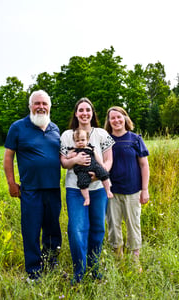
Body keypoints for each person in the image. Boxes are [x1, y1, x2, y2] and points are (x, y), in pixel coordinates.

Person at [3, 90, 62, 282]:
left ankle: (51, 265)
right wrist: (11, 183)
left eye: (44, 104)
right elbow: (8, 157)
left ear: (49, 107)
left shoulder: (55, 129)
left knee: (53, 230)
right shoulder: (18, 127)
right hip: (30, 190)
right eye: (37, 103)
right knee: (31, 230)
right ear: (30, 106)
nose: (41, 107)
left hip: (53, 189)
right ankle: (34, 272)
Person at [60, 97, 115, 284]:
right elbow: (64, 163)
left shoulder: (101, 134)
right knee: (77, 229)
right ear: (76, 113)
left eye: (88, 110)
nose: (84, 113)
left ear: (92, 113)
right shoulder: (67, 135)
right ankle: (79, 271)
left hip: (98, 189)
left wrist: (99, 175)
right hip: (75, 189)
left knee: (98, 228)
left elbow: (108, 161)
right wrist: (75, 161)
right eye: (81, 110)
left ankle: (94, 267)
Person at [104, 106, 149, 267]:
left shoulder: (135, 139)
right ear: (108, 121)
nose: (116, 120)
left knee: (133, 225)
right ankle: (118, 259)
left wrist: (145, 189)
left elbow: (144, 165)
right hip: (111, 192)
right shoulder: (106, 140)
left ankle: (135, 261)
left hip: (133, 191)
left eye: (119, 117)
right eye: (112, 118)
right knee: (113, 226)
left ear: (125, 118)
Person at [67, 128, 113, 206]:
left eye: (82, 140)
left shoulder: (90, 148)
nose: (80, 142)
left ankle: (108, 190)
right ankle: (87, 198)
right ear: (74, 142)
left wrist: (102, 164)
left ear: (87, 140)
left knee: (104, 175)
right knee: (82, 183)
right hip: (82, 170)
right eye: (77, 141)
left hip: (94, 166)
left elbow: (97, 157)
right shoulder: (74, 150)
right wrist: (72, 156)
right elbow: (68, 156)